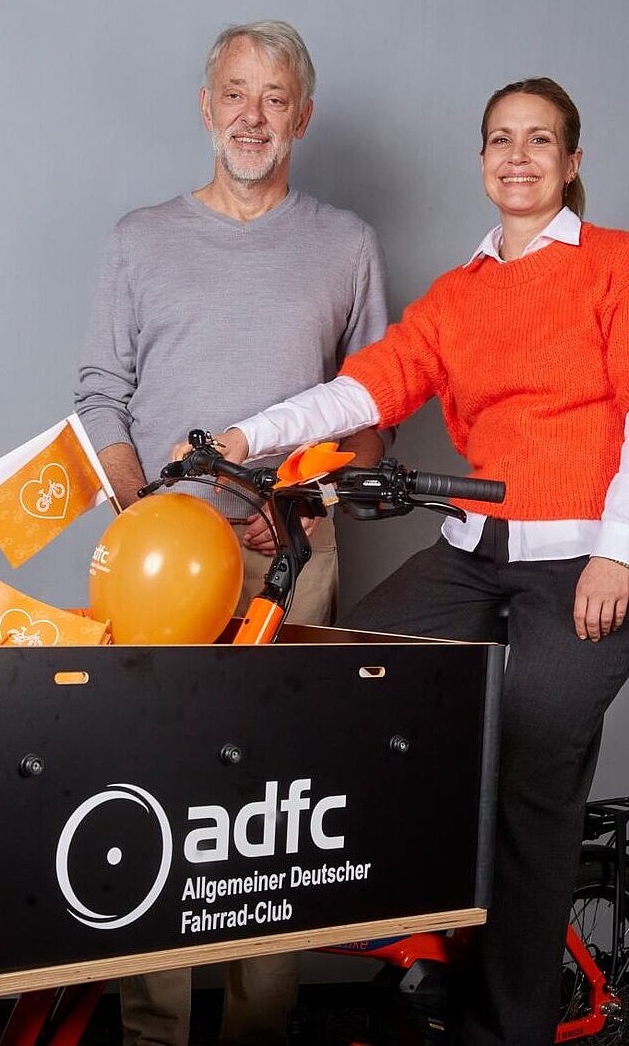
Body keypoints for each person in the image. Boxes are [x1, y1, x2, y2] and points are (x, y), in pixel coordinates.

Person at [182, 77, 629, 1046]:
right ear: (480, 163)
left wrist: (618, 555)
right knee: (338, 674)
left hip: (583, 564)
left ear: (572, 162)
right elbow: (358, 391)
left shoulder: (611, 266)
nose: (517, 157)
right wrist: (241, 435)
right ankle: (422, 941)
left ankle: (503, 1028)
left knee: (529, 773)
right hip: (474, 555)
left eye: (539, 141)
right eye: (500, 140)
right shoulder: (457, 296)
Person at [75, 21, 388, 1046]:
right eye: (234, 93)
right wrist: (143, 509)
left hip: (289, 553)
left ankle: (261, 1029)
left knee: (272, 803)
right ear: (205, 106)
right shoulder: (137, 238)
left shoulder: (344, 244)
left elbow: (371, 407)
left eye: (274, 96)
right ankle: (152, 1032)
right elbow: (99, 397)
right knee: (153, 787)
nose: (252, 116)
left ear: (300, 114)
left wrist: (304, 496)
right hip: (160, 553)